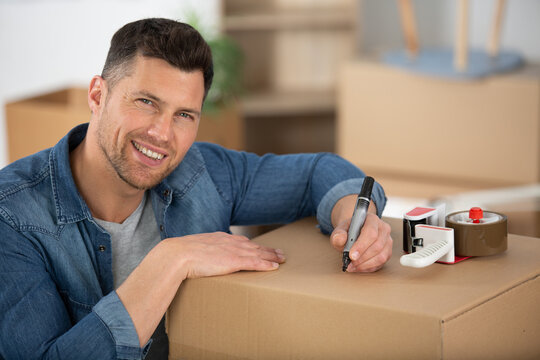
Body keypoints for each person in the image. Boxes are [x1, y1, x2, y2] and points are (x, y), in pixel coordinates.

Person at [0, 18, 392, 360]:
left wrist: (355, 214)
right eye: (146, 102)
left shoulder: (203, 172)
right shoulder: (13, 215)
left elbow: (318, 172)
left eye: (184, 114)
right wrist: (169, 261)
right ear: (97, 96)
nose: (162, 134)